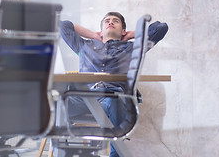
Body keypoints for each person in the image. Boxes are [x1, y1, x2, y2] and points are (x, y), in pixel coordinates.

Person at [59, 12, 168, 157]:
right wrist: (93, 34)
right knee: (55, 103)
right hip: (83, 99)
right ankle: (62, 152)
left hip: (111, 99)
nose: (110, 22)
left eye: (115, 21)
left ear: (122, 30)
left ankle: (116, 154)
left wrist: (129, 35)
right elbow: (62, 26)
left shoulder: (132, 48)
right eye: (107, 21)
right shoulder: (85, 46)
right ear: (101, 29)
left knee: (114, 99)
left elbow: (160, 28)